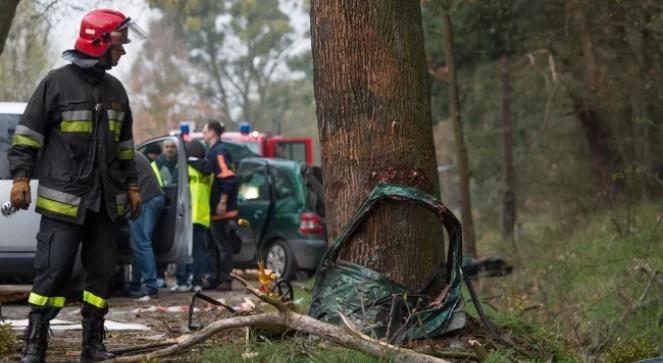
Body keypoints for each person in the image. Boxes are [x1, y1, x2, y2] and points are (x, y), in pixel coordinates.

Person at [7, 9, 144, 363]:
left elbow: (126, 148)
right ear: (99, 43)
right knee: (52, 274)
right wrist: (21, 177)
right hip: (63, 203)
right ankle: (34, 345)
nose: (123, 51)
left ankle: (92, 346)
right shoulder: (56, 83)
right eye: (119, 44)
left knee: (100, 278)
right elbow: (26, 137)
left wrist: (132, 186)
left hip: (105, 204)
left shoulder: (116, 90)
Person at [197, 121, 240, 291]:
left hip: (222, 210)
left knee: (223, 246)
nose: (203, 134)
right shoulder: (213, 152)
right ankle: (215, 278)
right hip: (213, 209)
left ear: (213, 132)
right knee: (213, 246)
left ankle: (225, 280)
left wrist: (222, 201)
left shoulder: (219, 152)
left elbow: (227, 176)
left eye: (204, 130)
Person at [171, 140, 213, 292]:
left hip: (186, 214)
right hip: (202, 215)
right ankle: (197, 282)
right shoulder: (209, 171)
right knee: (199, 250)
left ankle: (182, 282)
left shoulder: (184, 169)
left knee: (183, 250)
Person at [125, 152, 165, 300]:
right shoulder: (134, 153)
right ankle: (134, 285)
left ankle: (151, 287)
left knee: (141, 242)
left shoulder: (121, 156)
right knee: (137, 243)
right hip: (153, 197)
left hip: (147, 198)